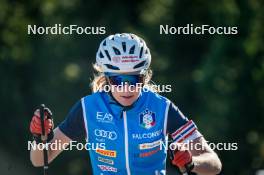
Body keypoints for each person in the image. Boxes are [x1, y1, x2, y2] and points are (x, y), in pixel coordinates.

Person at [29, 33, 222, 175]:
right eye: (118, 81)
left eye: (134, 79)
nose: (126, 89)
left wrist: (191, 163)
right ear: (106, 78)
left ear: (145, 77)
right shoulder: (87, 109)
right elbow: (38, 160)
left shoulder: (162, 108)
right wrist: (40, 139)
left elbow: (214, 163)